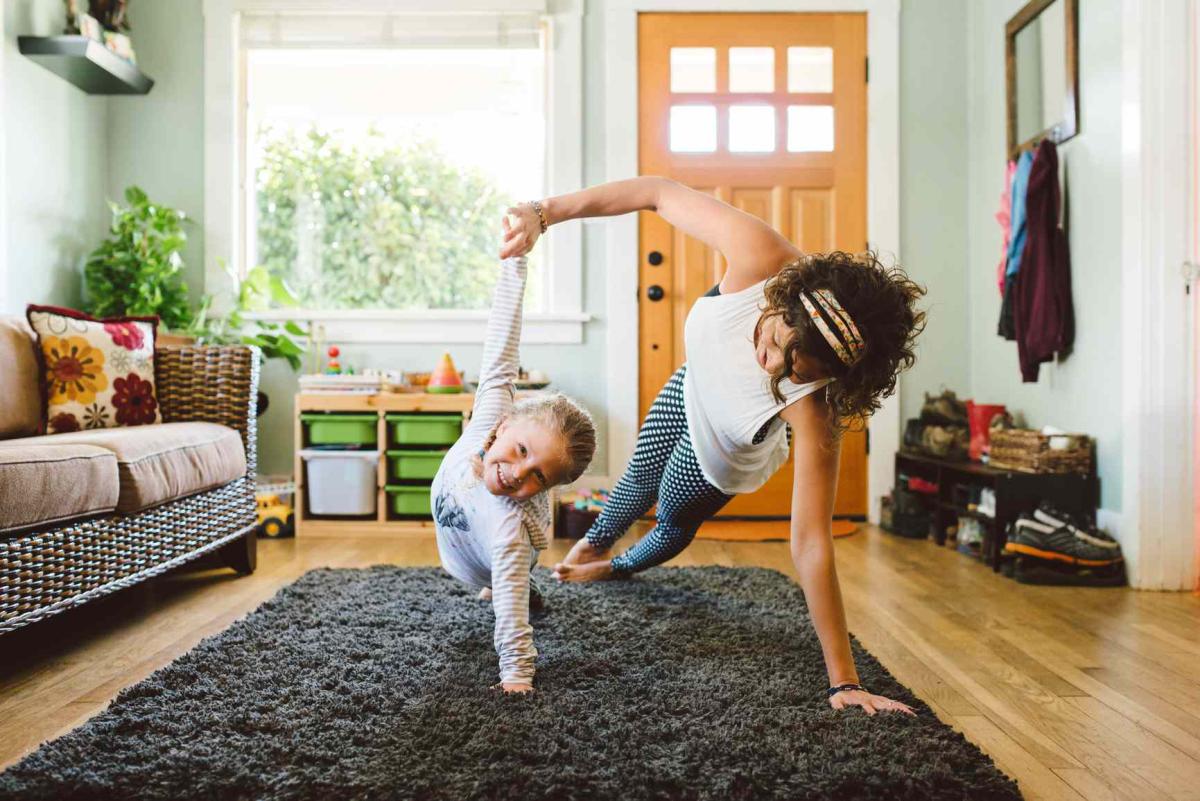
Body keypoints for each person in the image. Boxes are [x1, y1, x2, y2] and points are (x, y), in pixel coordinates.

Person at [501, 178, 924, 715]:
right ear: (782, 299)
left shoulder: (816, 410)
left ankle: (620, 565)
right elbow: (657, 192)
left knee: (672, 515)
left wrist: (844, 682)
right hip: (693, 384)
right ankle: (595, 543)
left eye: (794, 372)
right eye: (774, 340)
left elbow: (812, 542)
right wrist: (543, 212)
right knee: (639, 474)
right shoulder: (762, 257)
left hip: (723, 448)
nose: (770, 364)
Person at [430, 255, 596, 694]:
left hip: (493, 561)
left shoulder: (509, 531)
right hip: (468, 548)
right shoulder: (490, 417)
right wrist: (514, 265)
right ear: (504, 425)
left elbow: (511, 621)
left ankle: (523, 586)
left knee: (510, 589)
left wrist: (517, 676)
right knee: (511, 581)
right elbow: (501, 348)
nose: (516, 473)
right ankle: (521, 586)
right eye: (521, 451)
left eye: (538, 477)